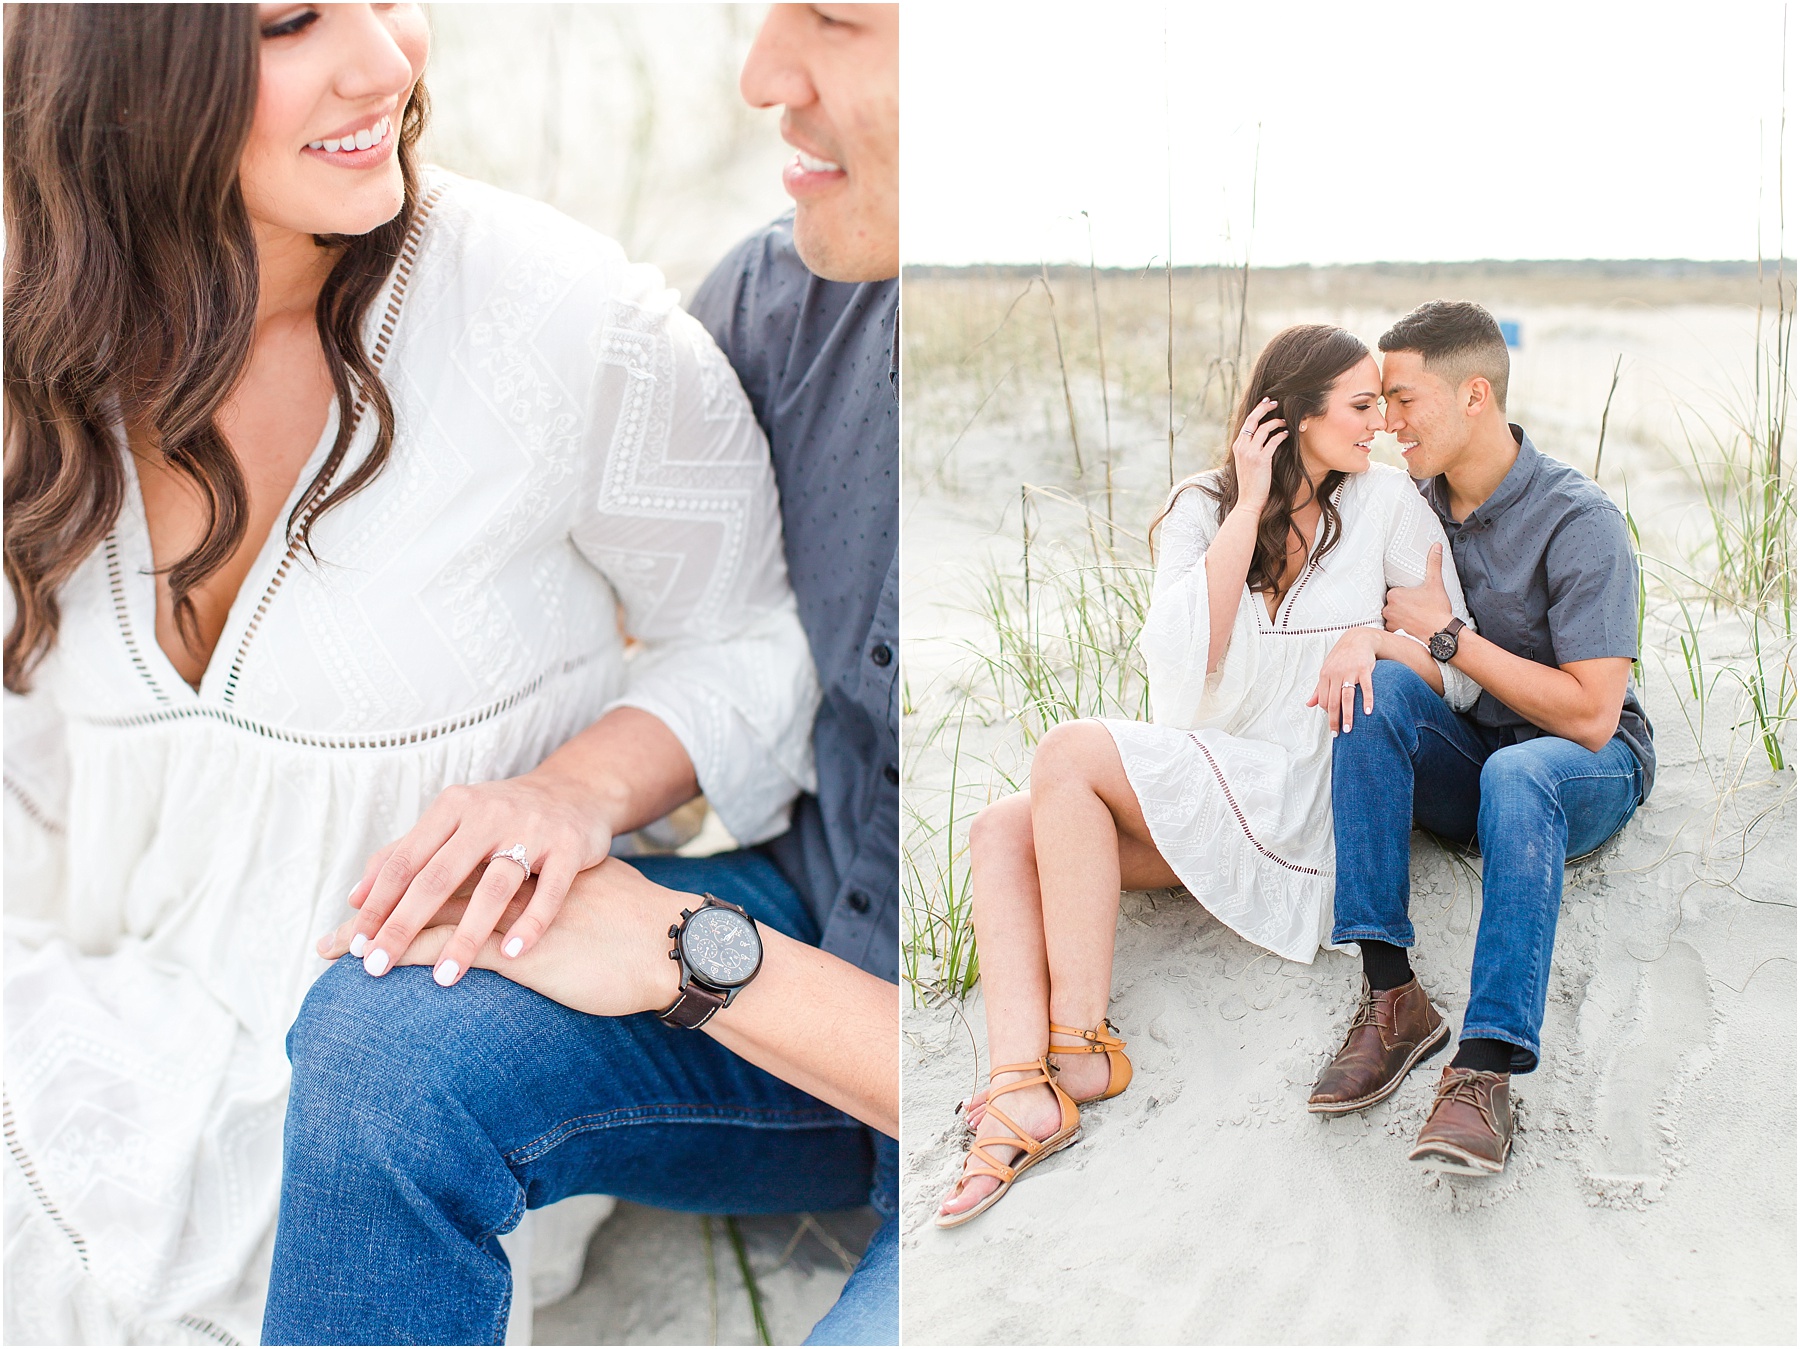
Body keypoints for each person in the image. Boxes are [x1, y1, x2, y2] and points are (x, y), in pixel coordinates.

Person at [3, 5, 819, 1343]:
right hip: (89, 1012)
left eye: (391, 0)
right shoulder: (35, 351)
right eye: (289, 22)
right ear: (116, 60)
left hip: (397, 1087)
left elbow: (754, 644)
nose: (388, 61)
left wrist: (568, 791)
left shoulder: (550, 317)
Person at [263, 3, 901, 1344]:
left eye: (838, 17)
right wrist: (567, 791)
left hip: (996, 1102)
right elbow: (721, 638)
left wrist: (691, 955)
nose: (759, 75)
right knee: (385, 1041)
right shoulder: (773, 305)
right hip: (805, 970)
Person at [935, 324, 1481, 1226]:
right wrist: (1250, 501)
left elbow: (1451, 673)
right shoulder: (1205, 504)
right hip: (1219, 768)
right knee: (1000, 826)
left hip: (1311, 781)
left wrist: (1373, 638)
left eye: (1384, 404)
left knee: (1067, 751)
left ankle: (1076, 1048)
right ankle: (1016, 1081)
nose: (1379, 424)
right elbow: (1188, 668)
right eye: (1357, 406)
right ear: (1296, 416)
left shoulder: (1388, 504)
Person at [1315, 300, 1651, 1175]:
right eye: (1377, 403)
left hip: (1580, 767)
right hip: (1471, 754)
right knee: (1375, 685)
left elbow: (1589, 715)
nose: (1386, 423)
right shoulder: (1404, 506)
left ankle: (1486, 1069)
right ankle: (1392, 997)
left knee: (1521, 776)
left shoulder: (1580, 521)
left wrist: (1450, 637)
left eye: (1402, 399)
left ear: (1474, 394)